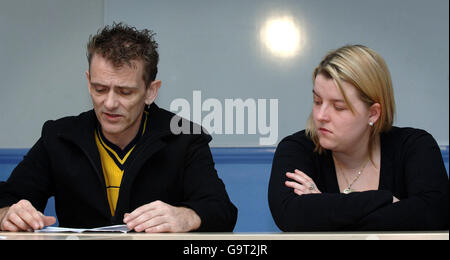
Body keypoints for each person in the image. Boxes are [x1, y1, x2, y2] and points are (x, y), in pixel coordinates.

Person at [0, 23, 237, 232]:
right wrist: (7, 213)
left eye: (125, 92)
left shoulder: (184, 137)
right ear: (88, 81)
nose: (110, 104)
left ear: (151, 91)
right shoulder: (59, 136)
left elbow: (221, 210)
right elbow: (7, 198)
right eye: (99, 89)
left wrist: (187, 216)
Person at [268, 44, 449, 231]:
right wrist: (386, 200)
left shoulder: (415, 146)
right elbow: (291, 215)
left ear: (373, 114)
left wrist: (324, 207)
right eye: (317, 101)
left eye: (338, 107)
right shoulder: (297, 149)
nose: (320, 116)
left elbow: (435, 213)